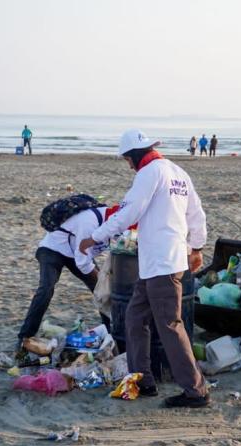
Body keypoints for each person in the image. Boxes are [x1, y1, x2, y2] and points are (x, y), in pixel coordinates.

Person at [79, 129, 209, 408]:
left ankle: (195, 391)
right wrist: (196, 247)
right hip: (156, 264)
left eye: (127, 160)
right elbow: (196, 214)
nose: (128, 164)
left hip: (162, 263)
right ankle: (141, 380)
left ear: (133, 156)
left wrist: (96, 236)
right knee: (134, 319)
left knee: (170, 326)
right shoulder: (178, 172)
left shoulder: (149, 173)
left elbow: (128, 213)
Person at [18, 202, 120, 346]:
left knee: (103, 291)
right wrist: (102, 281)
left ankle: (111, 333)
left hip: (76, 253)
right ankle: (24, 337)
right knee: (46, 289)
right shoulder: (90, 221)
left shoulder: (117, 223)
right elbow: (83, 262)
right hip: (52, 249)